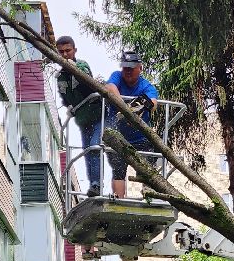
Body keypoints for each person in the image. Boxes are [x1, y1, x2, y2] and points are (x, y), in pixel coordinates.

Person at [104, 50, 160, 199]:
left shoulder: (146, 86)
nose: (127, 71)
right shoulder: (117, 76)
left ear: (140, 68)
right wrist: (126, 110)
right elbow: (110, 87)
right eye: (125, 67)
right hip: (118, 136)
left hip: (141, 138)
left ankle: (150, 200)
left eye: (131, 67)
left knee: (147, 170)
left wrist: (138, 110)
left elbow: (153, 103)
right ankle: (119, 201)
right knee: (118, 169)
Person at [55, 36, 104, 197]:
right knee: (87, 151)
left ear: (74, 50)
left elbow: (88, 84)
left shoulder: (81, 65)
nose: (64, 54)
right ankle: (93, 186)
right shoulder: (60, 77)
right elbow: (64, 96)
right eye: (61, 52)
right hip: (83, 119)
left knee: (95, 147)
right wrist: (69, 106)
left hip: (97, 115)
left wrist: (73, 68)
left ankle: (96, 185)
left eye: (68, 51)